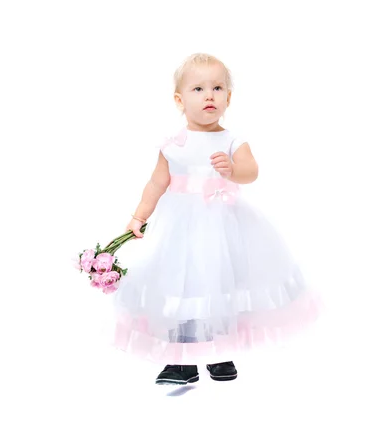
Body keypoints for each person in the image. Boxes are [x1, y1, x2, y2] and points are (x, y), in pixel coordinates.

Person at [107, 53, 323, 386]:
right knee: (181, 286)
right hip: (179, 229)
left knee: (219, 285)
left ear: (228, 98)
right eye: (198, 88)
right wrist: (138, 216)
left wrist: (234, 170)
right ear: (180, 100)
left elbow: (252, 171)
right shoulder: (173, 145)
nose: (209, 95)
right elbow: (157, 183)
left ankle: (221, 352)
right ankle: (181, 360)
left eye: (218, 88)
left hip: (222, 227)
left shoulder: (232, 140)